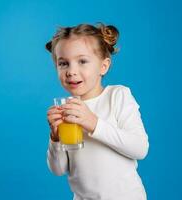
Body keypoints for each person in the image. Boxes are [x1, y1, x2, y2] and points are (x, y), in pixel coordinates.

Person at [45, 23, 149, 200]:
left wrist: (93, 123)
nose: (71, 71)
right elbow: (58, 169)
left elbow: (140, 149)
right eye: (63, 63)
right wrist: (55, 138)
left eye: (82, 61)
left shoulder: (117, 96)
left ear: (104, 66)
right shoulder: (66, 109)